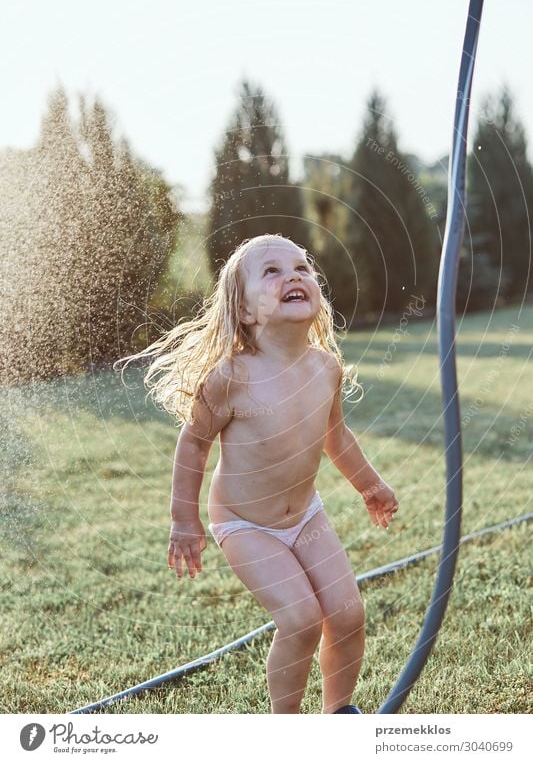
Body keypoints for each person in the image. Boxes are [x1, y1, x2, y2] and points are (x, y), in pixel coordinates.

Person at [117, 233, 399, 714]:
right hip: (245, 523)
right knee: (301, 619)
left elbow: (337, 437)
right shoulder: (232, 377)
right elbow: (194, 444)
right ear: (245, 311)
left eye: (302, 268)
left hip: (305, 516)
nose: (293, 275)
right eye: (272, 271)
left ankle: (338, 715)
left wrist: (369, 484)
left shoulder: (324, 368)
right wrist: (184, 520)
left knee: (348, 614)